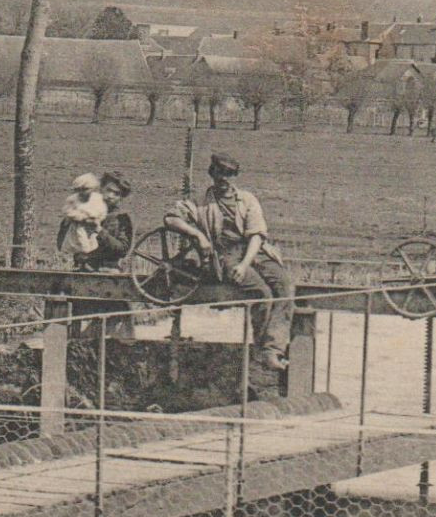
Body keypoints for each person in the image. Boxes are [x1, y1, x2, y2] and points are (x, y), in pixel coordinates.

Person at [164, 152, 293, 388]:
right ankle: (263, 351)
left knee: (284, 285)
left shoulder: (247, 200)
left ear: (235, 177)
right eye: (220, 173)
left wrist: (245, 264)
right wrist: (198, 235)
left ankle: (272, 348)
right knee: (262, 293)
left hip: (255, 251)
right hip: (226, 255)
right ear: (212, 174)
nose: (224, 179)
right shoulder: (201, 202)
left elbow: (256, 234)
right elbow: (171, 219)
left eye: (229, 174)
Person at [78, 171, 133, 272]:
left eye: (116, 194)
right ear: (101, 189)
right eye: (108, 190)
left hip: (108, 270)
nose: (110, 196)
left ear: (121, 198)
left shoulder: (122, 219)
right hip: (85, 268)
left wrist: (100, 231)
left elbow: (123, 250)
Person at [58, 172, 106, 263]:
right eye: (79, 190)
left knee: (93, 245)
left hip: (92, 227)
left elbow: (101, 211)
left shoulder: (97, 199)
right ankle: (75, 261)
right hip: (77, 228)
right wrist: (80, 217)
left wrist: (94, 218)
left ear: (93, 189)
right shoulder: (73, 199)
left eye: (85, 189)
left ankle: (90, 261)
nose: (82, 193)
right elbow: (68, 211)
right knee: (78, 245)